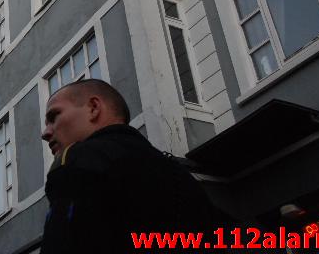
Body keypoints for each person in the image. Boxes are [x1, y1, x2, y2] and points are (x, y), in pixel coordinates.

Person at [40, 78, 227, 254]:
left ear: (94, 108)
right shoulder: (181, 176)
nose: (46, 133)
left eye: (54, 116)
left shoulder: (78, 160)